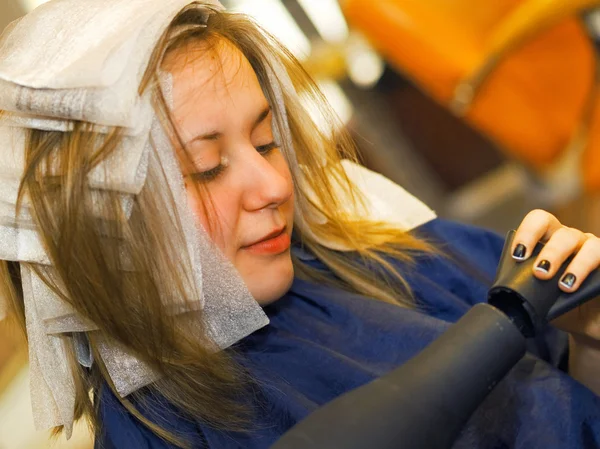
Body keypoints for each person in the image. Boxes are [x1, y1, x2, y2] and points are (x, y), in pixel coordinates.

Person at [0, 1, 599, 448]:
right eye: (206, 170)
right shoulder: (172, 431)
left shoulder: (384, 257)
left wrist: (587, 332)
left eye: (265, 142)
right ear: (103, 231)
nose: (275, 187)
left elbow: (572, 386)